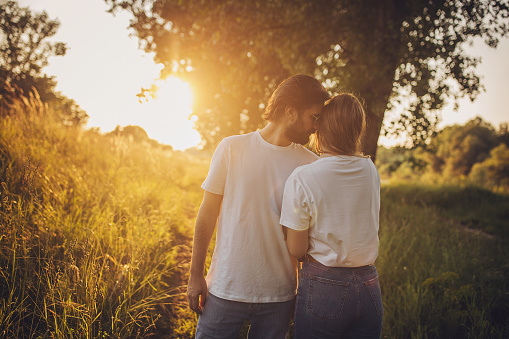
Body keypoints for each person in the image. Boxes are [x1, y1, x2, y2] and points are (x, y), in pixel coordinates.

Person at [187, 74, 331, 339]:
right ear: (290, 112)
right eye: (314, 117)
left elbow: (312, 237)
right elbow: (207, 214)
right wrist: (196, 276)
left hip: (280, 297)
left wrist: (302, 292)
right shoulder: (232, 148)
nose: (316, 127)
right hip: (225, 289)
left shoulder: (311, 165)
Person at [280, 93, 383, 338]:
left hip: (325, 285)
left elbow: (296, 249)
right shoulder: (370, 169)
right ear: (357, 129)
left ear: (321, 127)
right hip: (369, 284)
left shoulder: (302, 177)